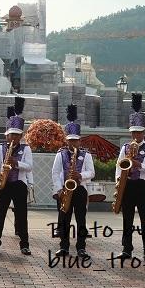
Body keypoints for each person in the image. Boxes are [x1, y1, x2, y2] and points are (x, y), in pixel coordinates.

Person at [115, 93, 145, 263]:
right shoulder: (125, 147)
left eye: (138, 133)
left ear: (143, 132)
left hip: (143, 186)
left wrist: (139, 165)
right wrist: (119, 182)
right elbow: (119, 165)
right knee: (127, 218)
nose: (135, 136)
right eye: (133, 132)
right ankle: (126, 249)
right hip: (128, 185)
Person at [0, 96, 33, 255]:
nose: (14, 138)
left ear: (21, 136)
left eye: (17, 135)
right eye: (11, 135)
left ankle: (24, 244)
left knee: (22, 215)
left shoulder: (26, 149)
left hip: (19, 184)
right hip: (4, 183)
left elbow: (29, 167)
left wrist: (16, 163)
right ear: (6, 136)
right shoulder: (1, 148)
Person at [52, 104, 94, 259]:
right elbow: (55, 172)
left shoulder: (86, 155)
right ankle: (64, 247)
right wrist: (59, 189)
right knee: (64, 219)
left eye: (75, 141)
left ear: (79, 141)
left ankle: (81, 248)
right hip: (64, 189)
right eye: (70, 141)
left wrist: (80, 175)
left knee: (81, 219)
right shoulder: (61, 154)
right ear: (67, 141)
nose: (73, 144)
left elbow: (92, 172)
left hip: (80, 189)